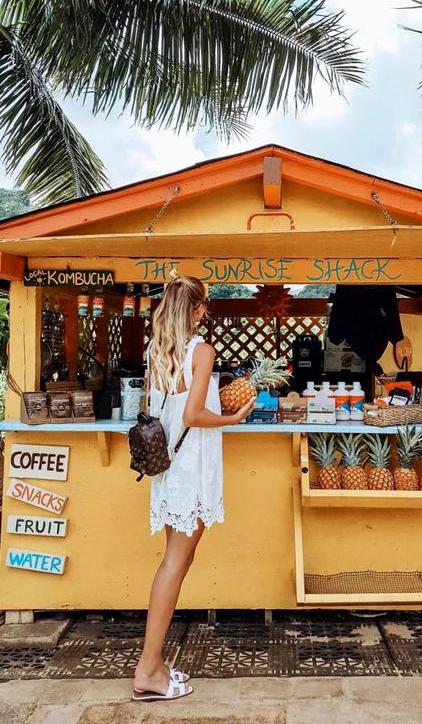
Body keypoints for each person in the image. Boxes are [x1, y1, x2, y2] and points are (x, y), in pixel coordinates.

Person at [133, 277, 255, 702]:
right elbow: (193, 415)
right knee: (174, 564)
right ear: (197, 309)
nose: (206, 311)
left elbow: (168, 407)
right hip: (190, 468)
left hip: (170, 468)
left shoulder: (157, 349)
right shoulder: (201, 351)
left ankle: (154, 664)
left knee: (177, 561)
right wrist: (232, 418)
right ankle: (148, 670)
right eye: (205, 305)